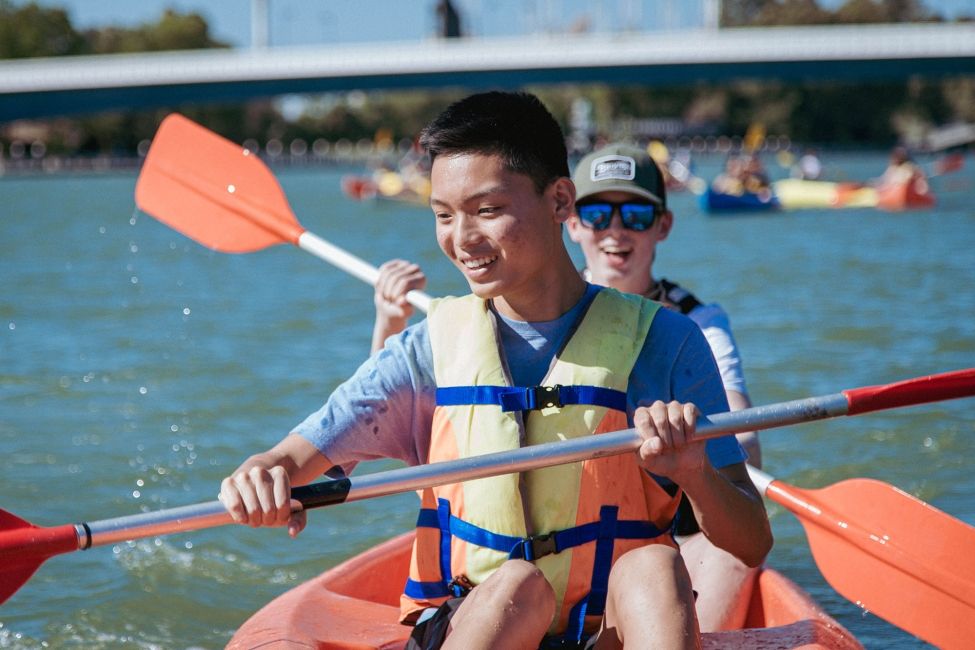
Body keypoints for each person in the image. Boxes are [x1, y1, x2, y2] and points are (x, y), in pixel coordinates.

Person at [220, 91, 772, 649]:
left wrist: (694, 472)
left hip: (605, 632)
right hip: (473, 619)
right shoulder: (425, 351)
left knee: (652, 565)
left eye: (486, 211)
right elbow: (289, 461)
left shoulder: (670, 342)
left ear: (559, 201)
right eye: (442, 215)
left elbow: (751, 544)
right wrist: (260, 477)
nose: (461, 240)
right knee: (520, 584)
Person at [565, 143, 762, 632]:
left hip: (677, 527)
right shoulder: (544, 316)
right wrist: (390, 322)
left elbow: (743, 438)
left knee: (735, 557)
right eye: (596, 213)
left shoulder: (700, 322)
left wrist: (693, 443)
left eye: (634, 214)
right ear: (571, 224)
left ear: (663, 226)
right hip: (575, 521)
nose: (615, 230)